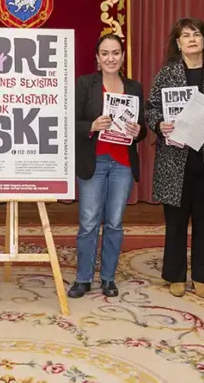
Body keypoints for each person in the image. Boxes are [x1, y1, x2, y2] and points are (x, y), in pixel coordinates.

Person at [145, 19, 204, 298]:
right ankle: (175, 274)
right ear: (178, 43)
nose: (191, 39)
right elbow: (151, 110)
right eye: (185, 35)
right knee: (175, 220)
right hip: (176, 159)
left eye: (196, 34)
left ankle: (203, 275)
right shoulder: (166, 75)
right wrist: (159, 124)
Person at [68, 33, 147, 298]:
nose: (110, 58)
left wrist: (138, 131)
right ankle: (83, 278)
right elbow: (70, 122)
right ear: (97, 59)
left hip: (122, 163)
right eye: (105, 53)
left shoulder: (134, 88)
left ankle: (108, 278)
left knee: (114, 223)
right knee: (88, 222)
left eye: (115, 53)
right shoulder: (84, 84)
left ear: (123, 57)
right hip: (94, 161)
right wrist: (91, 126)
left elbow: (143, 129)